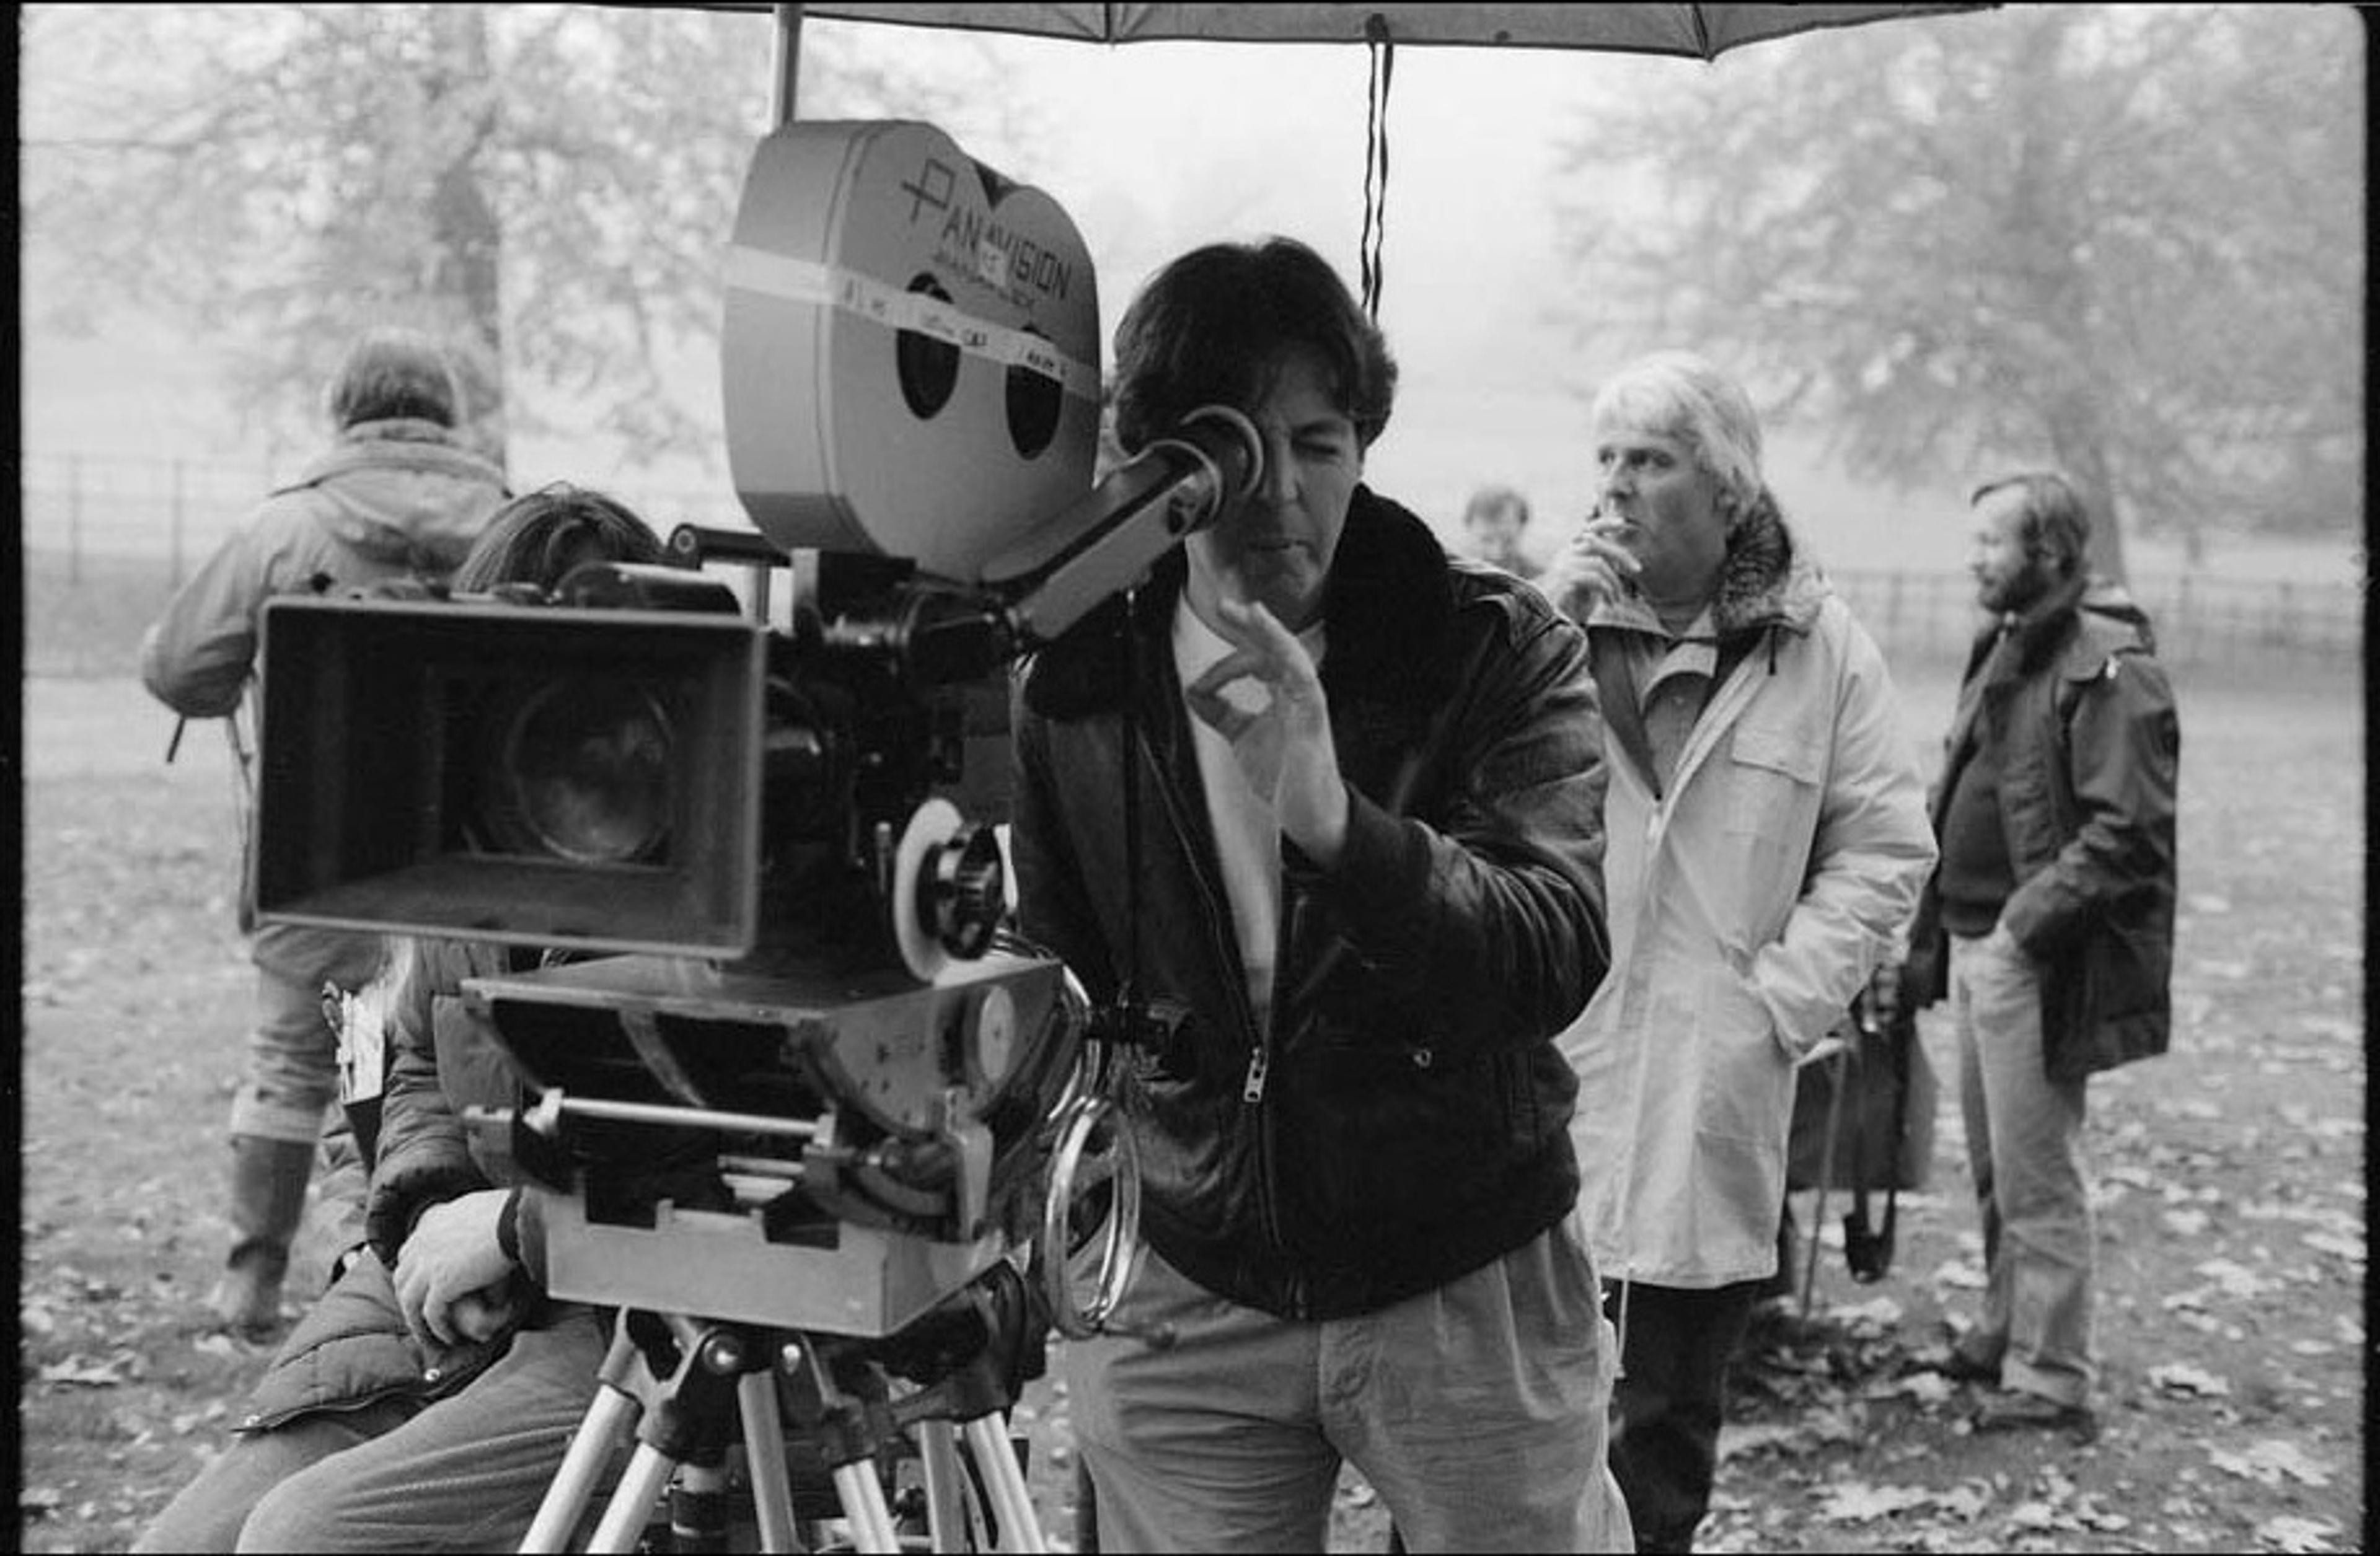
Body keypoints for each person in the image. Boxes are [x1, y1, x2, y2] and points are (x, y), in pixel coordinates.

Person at [1009, 235, 1631, 1553]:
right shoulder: (1073, 677)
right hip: (1187, 1273)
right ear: (1157, 456)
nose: (1282, 493)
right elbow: (1044, 969)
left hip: (1463, 1265)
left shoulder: (1491, 648)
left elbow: (1552, 948)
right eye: (1236, 445)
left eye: (1324, 441)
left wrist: (1343, 825)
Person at [134, 486, 669, 1554]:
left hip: (623, 1327)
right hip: (441, 1287)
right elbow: (413, 1054)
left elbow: (741, 1171)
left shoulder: (706, 875)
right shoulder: (460, 838)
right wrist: (425, 1209)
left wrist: (514, 1236)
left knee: (303, 1538)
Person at [1539, 349, 1936, 1554]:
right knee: (1491, 1427)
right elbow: (1440, 798)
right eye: (1605, 457)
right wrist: (1538, 627)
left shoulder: (1820, 649)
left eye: (1649, 461)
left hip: (1712, 1091)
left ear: (1727, 495)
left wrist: (1774, 1006)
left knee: (1660, 1439)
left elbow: (1884, 844)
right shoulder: (1538, 626)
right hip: (1544, 1083)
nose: (1615, 487)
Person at [139, 325, 510, 1338]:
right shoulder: (511, 525)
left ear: (345, 412)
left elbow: (178, 671)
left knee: (293, 1066)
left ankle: (252, 1280)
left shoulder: (282, 534)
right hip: (483, 865)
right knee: (442, 1061)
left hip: (320, 854)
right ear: (445, 414)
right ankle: (432, 1269)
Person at [1897, 470, 2179, 1441]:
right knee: (1994, 1164)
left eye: (1992, 542)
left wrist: (2021, 929)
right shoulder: (2011, 638)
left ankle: (2053, 1373)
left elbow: (2128, 831)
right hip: (1982, 942)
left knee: (2038, 1169)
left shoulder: (2110, 660)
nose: (1974, 558)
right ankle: (2006, 1327)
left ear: (2050, 552)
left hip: (2032, 951)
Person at [1460, 482, 1542, 581]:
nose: (1497, 553)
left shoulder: (1542, 580)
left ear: (1523, 526)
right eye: (1487, 540)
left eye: (1508, 541)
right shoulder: (1451, 579)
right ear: (1468, 527)